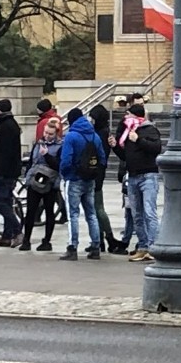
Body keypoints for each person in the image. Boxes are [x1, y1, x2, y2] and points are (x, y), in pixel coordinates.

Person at [108, 103, 161, 262]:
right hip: (133, 176)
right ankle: (143, 246)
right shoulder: (127, 132)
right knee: (136, 213)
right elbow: (126, 156)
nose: (125, 117)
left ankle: (153, 247)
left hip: (148, 175)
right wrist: (115, 147)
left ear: (136, 116)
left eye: (128, 114)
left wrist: (138, 140)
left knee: (149, 212)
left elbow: (156, 148)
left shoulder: (149, 129)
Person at [59, 107, 106, 261]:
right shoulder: (94, 136)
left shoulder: (71, 136)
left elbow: (66, 160)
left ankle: (72, 247)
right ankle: (96, 246)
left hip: (74, 178)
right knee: (91, 213)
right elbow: (102, 159)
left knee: (73, 214)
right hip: (90, 179)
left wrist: (65, 174)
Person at [20, 120, 62, 252]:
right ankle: (26, 240)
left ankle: (46, 241)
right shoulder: (38, 143)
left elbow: (58, 165)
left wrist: (47, 155)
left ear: (56, 134)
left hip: (49, 182)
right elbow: (32, 161)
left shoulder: (60, 145)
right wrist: (27, 177)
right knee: (31, 211)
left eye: (50, 134)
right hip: (35, 180)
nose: (47, 136)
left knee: (49, 211)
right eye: (46, 133)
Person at [0, 99, 23, 248]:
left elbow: (3, 153)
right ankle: (7, 235)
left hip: (5, 171)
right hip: (11, 170)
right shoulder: (11, 125)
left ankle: (17, 231)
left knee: (0, 202)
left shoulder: (5, 127)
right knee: (7, 201)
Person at [89, 104, 121, 252]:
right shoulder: (103, 131)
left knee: (97, 208)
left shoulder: (100, 134)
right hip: (99, 173)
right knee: (96, 208)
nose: (91, 121)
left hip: (96, 174)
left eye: (93, 118)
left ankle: (107, 238)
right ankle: (100, 239)